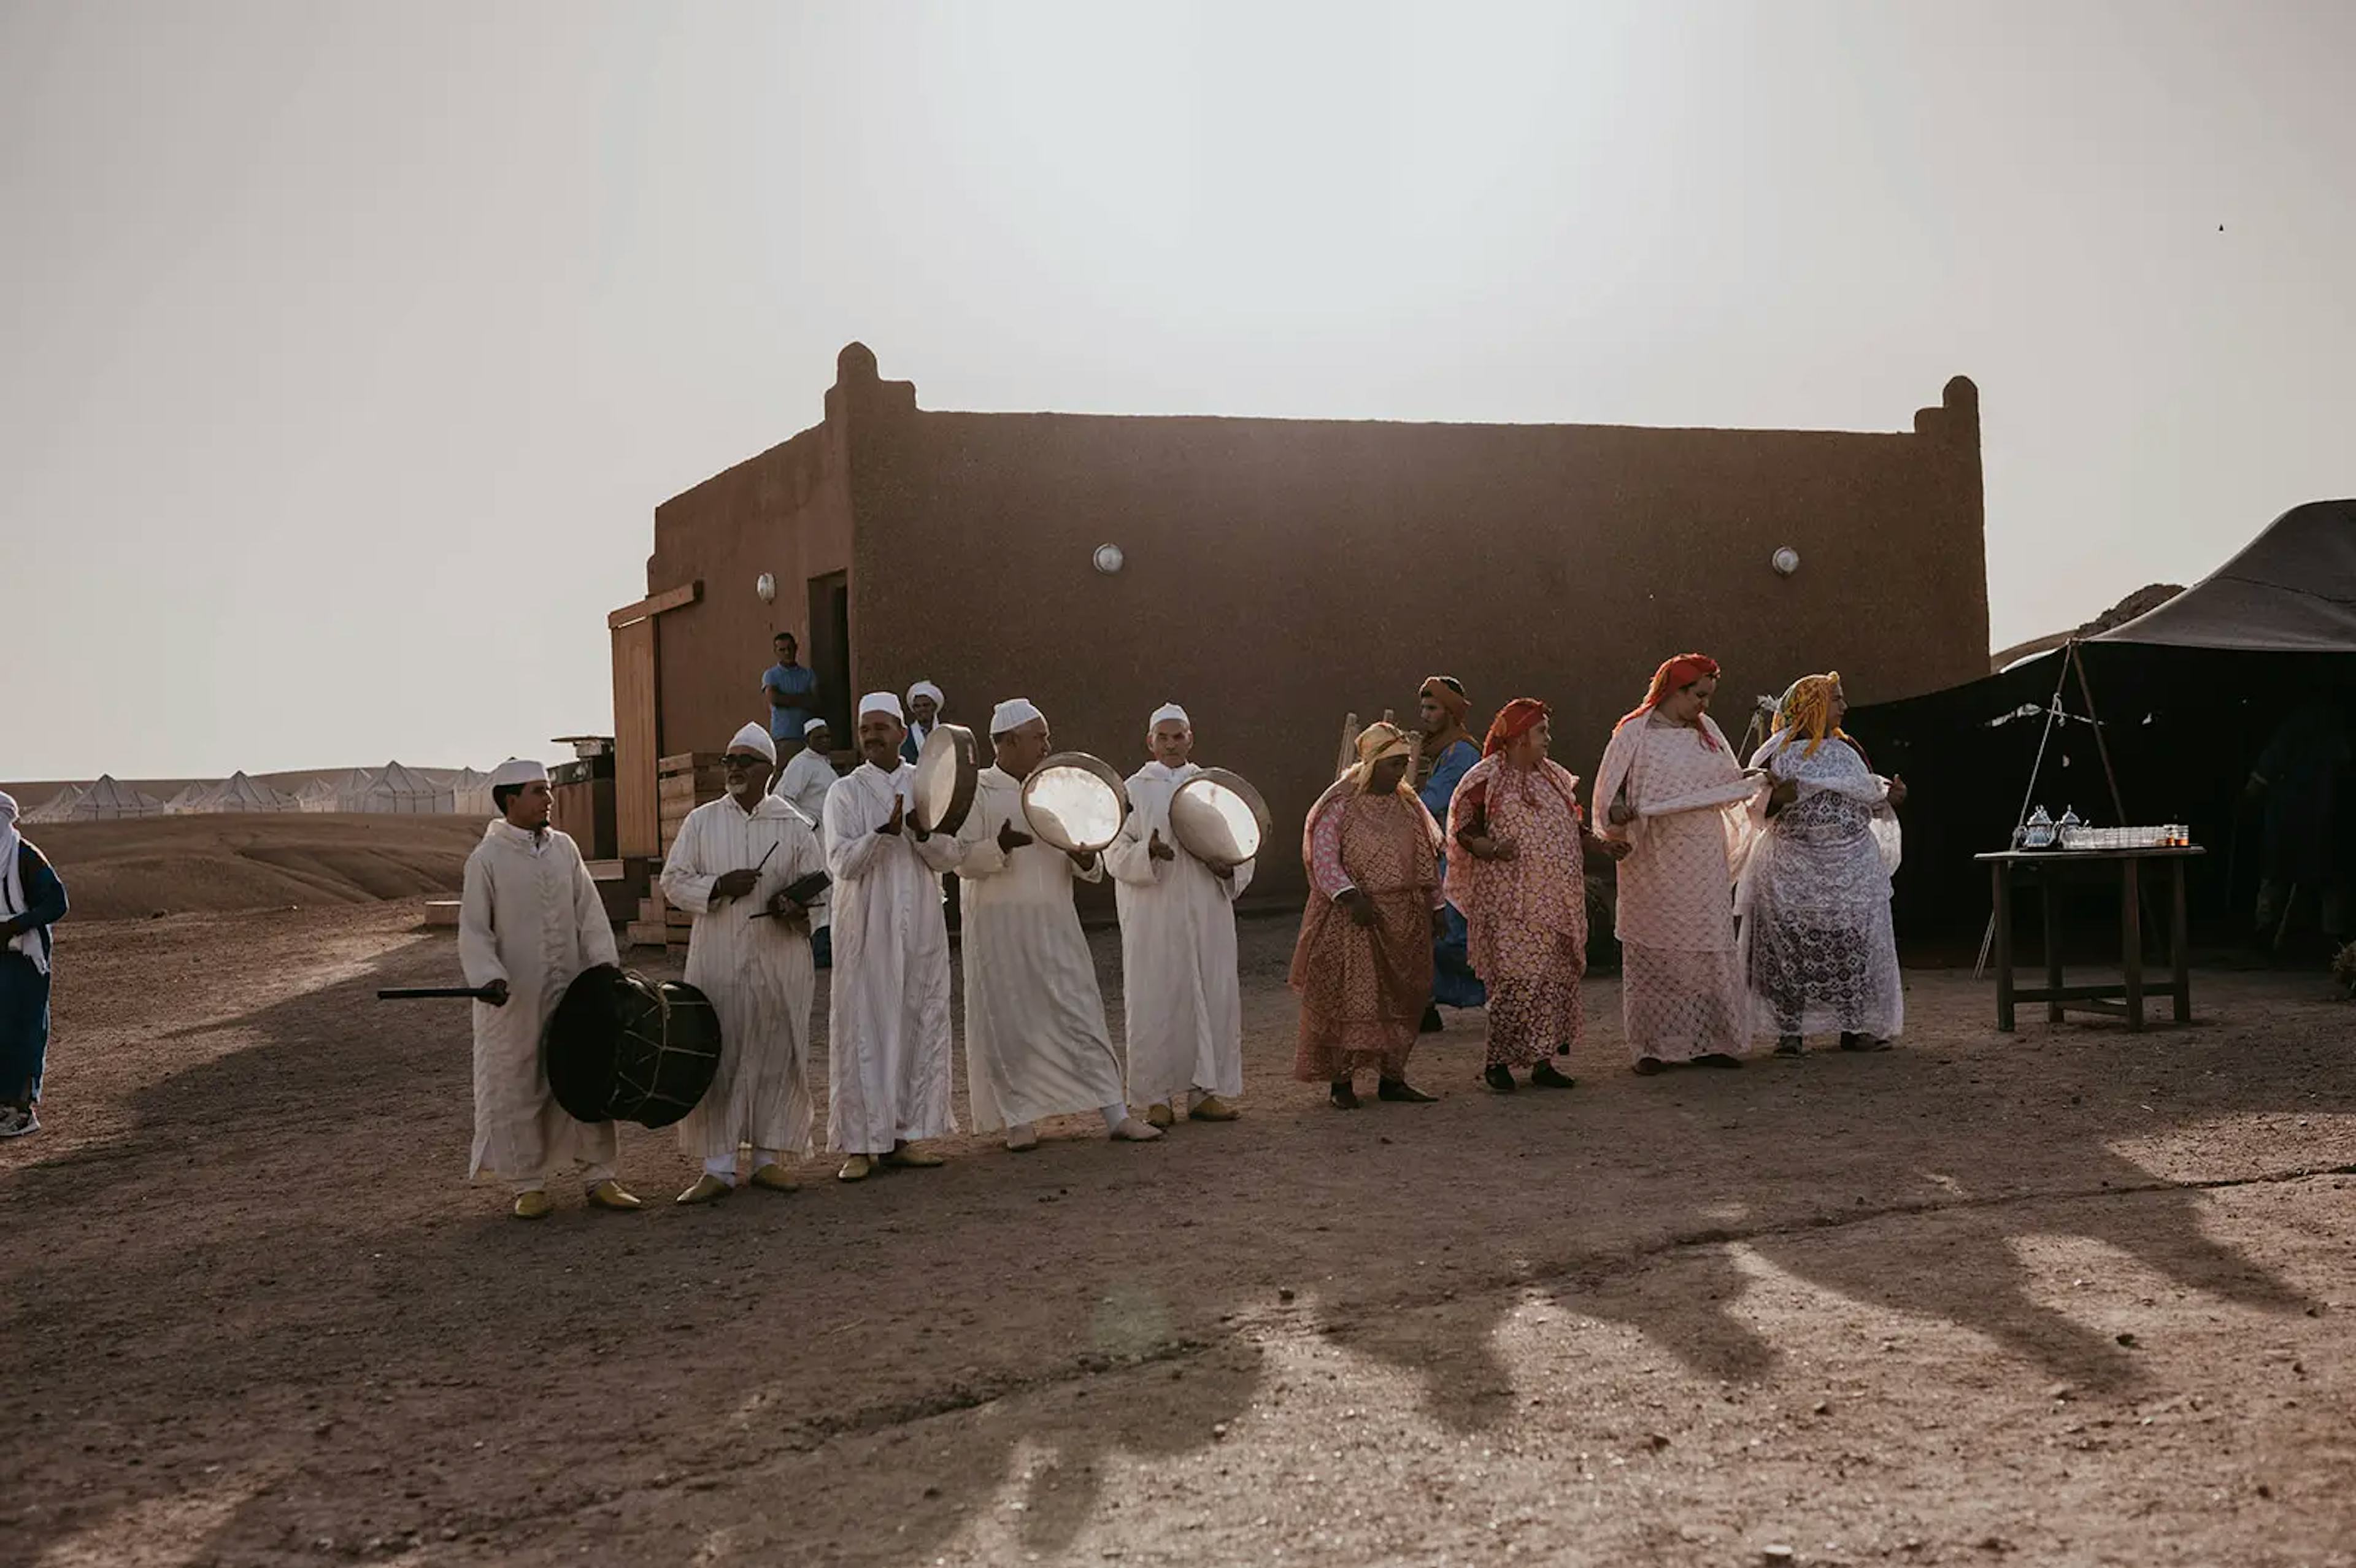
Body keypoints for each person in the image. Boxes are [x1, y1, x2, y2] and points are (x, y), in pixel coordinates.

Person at [954, 698, 1162, 1151]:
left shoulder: (1059, 787)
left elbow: (1088, 856)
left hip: (1056, 922)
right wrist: (1000, 845)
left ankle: (1115, 1112)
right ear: (1008, 742)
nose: (1048, 744)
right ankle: (1019, 1119)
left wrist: (1084, 857)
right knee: (1010, 1021)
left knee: (1080, 1009)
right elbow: (959, 860)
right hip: (998, 930)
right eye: (1039, 737)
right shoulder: (978, 791)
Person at [458, 759, 640, 1218]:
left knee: (589, 1072)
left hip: (574, 989)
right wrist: (487, 978)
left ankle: (600, 1176)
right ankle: (528, 1183)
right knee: (522, 1079)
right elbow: (475, 930)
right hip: (515, 997)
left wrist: (603, 970)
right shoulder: (487, 861)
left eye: (549, 790)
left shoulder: (565, 850)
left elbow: (590, 912)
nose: (549, 800)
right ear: (511, 800)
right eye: (539, 791)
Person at [659, 723, 828, 1204]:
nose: (732, 768)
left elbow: (822, 890)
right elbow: (673, 881)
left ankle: (769, 1160)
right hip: (718, 959)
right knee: (721, 1053)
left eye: (743, 761)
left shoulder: (794, 825)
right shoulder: (701, 822)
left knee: (778, 1052)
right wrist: (717, 886)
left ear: (768, 770)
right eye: (728, 760)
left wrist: (796, 908)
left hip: (780, 959)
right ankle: (717, 1167)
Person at [1446, 699, 1627, 1093]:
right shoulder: (1484, 780)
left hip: (1557, 900)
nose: (1548, 739)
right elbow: (1464, 830)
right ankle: (1498, 1062)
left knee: (1553, 977)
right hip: (1509, 902)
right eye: (1541, 731)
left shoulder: (1554, 779)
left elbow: (1573, 826)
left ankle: (1544, 1062)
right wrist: (1492, 849)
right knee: (1517, 979)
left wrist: (1600, 846)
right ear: (1517, 737)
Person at [1594, 655, 1762, 1075]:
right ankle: (1653, 1047)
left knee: (1706, 944)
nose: (1703, 706)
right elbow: (1609, 794)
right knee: (1658, 946)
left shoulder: (1707, 734)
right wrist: (1618, 814)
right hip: (1654, 857)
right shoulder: (1634, 734)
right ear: (1676, 690)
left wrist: (1753, 779)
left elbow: (1724, 782)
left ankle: (1711, 1041)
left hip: (1703, 856)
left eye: (1707, 697)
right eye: (1698, 696)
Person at [822, 691, 964, 1182]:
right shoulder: (844, 792)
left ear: (902, 733)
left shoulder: (927, 785)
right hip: (865, 929)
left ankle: (904, 1137)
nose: (871, 737)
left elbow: (951, 856)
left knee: (913, 1023)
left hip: (919, 926)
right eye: (865, 729)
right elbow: (840, 863)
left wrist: (921, 834)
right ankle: (860, 1146)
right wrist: (882, 834)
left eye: (881, 728)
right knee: (864, 1027)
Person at [1739, 673, 1906, 1055]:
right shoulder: (1774, 752)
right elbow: (1751, 807)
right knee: (1790, 949)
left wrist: (1892, 799)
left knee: (1850, 946)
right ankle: (1789, 1033)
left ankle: (1853, 1028)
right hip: (1791, 869)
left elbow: (1868, 800)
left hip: (1850, 869)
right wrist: (1778, 798)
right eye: (1836, 700)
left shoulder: (1850, 752)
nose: (1844, 707)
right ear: (1812, 705)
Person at [1105, 703, 1250, 1128]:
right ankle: (1157, 1097)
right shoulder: (1131, 790)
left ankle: (1206, 1093)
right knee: (1156, 1000)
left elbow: (1240, 840)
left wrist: (1229, 869)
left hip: (1207, 909)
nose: (1171, 745)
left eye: (1179, 736)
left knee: (1212, 994)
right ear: (1150, 742)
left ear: (1191, 739)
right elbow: (1112, 850)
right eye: (1163, 738)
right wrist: (1144, 853)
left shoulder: (1212, 786)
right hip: (1154, 914)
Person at [1291, 722, 1445, 1109]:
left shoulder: (1408, 805)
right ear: (1372, 763)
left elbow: (1427, 857)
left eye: (1405, 764)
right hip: (1355, 919)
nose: (1401, 773)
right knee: (1351, 1000)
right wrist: (1349, 897)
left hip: (1405, 920)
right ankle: (1341, 1084)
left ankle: (1393, 1078)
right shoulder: (1340, 804)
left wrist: (1437, 907)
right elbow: (1324, 858)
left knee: (1402, 998)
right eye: (1394, 764)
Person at [2244, 693, 2352, 948]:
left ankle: (2331, 938)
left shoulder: (2331, 736)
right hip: (2297, 817)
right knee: (2281, 875)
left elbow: (2257, 783)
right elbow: (2262, 776)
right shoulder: (2300, 734)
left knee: (2323, 877)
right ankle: (2269, 930)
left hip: (2320, 817)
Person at [1415, 675, 1485, 1029]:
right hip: (1438, 851)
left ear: (1450, 712)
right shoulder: (1438, 749)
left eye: (1433, 708)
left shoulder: (1461, 753)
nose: (1425, 715)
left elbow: (1432, 803)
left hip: (1456, 854)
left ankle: (1499, 991)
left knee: (1451, 936)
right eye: (1423, 708)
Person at [0, 791, 67, 1139]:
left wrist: (13, 926)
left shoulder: (24, 857)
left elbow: (57, 903)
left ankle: (23, 1110)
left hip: (25, 958)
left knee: (23, 1029)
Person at [774, 716, 842, 967]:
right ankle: (819, 952)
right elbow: (782, 797)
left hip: (829, 836)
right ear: (807, 740)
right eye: (819, 737)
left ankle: (828, 950)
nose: (825, 741)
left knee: (831, 891)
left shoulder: (823, 765)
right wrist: (807, 821)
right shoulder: (801, 764)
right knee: (820, 891)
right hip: (815, 838)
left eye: (827, 736)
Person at [763, 632, 820, 756]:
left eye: (790, 649)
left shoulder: (808, 674)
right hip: (783, 738)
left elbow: (815, 702)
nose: (787, 653)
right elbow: (774, 699)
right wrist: (803, 699)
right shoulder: (771, 675)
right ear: (776, 652)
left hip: (807, 737)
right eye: (782, 650)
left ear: (796, 648)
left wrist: (786, 698)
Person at [899, 680, 946, 764]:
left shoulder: (946, 734)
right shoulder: (905, 736)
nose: (922, 710)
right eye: (917, 706)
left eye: (926, 705)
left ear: (934, 707)